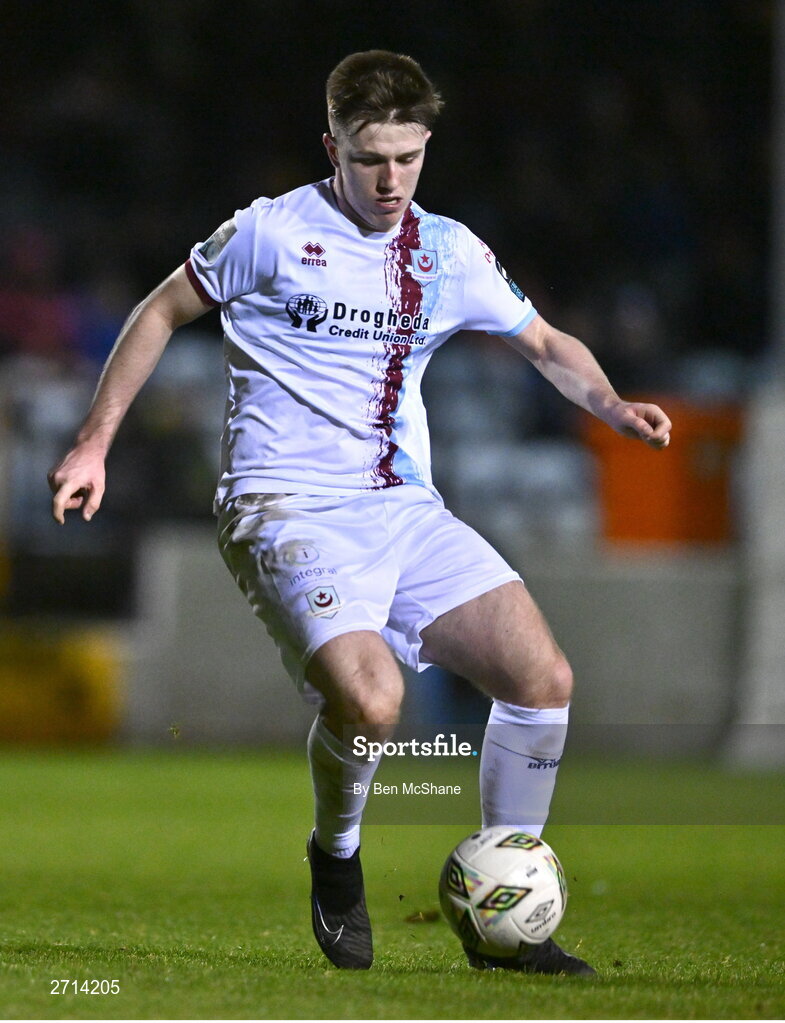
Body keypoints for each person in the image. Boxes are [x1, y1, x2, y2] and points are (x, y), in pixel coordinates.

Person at [49, 50, 671, 976]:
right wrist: (94, 440)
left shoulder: (447, 250)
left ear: (426, 147)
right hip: (283, 505)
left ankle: (508, 911)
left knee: (541, 678)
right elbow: (158, 311)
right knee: (374, 701)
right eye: (370, 157)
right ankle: (334, 856)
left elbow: (541, 340)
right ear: (331, 145)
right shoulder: (269, 233)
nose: (390, 180)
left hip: (401, 508)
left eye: (408, 158)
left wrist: (613, 404)